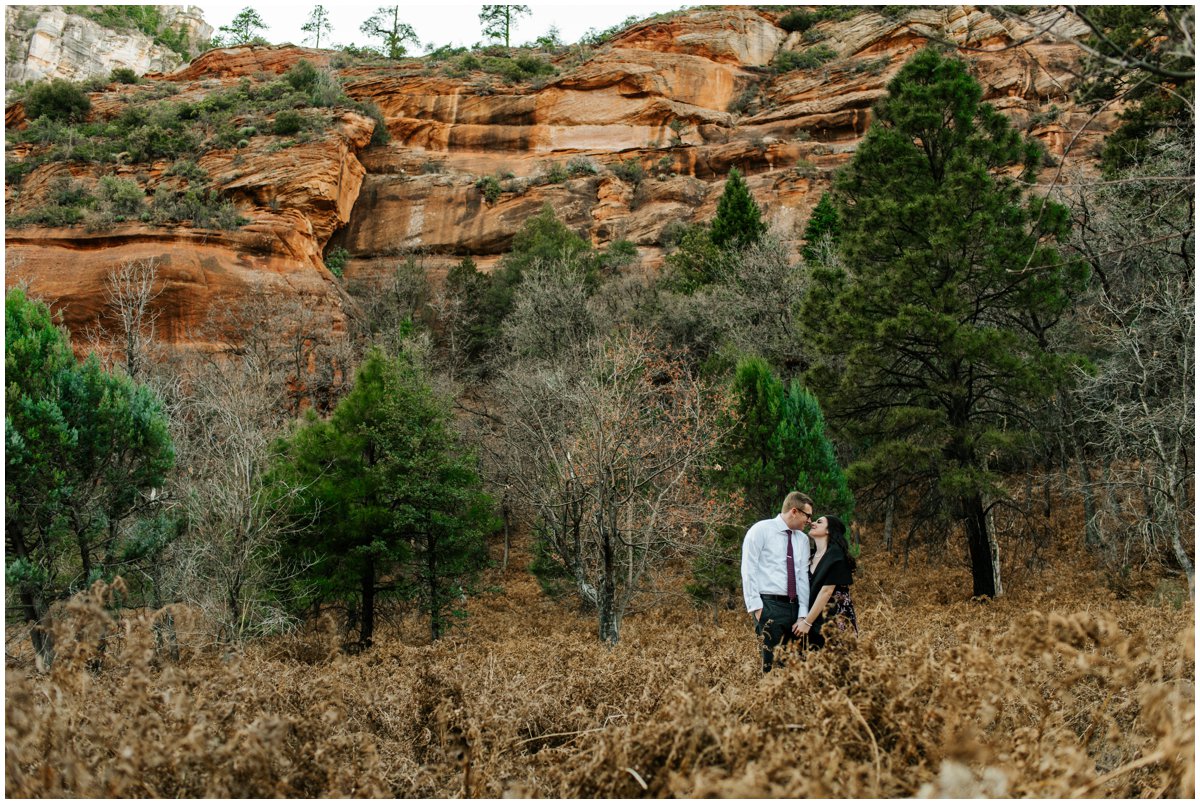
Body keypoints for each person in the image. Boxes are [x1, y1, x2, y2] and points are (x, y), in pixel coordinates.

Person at [741, 491, 813, 672]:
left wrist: (803, 613)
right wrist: (757, 608)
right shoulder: (760, 530)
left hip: (795, 608)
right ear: (794, 511)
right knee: (772, 667)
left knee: (797, 667)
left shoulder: (803, 540)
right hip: (769, 606)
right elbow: (748, 569)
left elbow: (803, 577)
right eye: (808, 515)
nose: (810, 521)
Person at [793, 514, 858, 650]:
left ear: (829, 530)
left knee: (835, 664)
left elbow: (826, 592)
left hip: (834, 618)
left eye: (819, 522)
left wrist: (807, 622)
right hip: (814, 616)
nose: (813, 523)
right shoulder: (810, 556)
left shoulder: (836, 555)